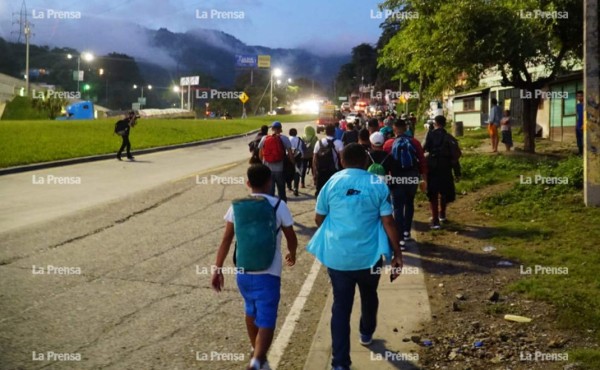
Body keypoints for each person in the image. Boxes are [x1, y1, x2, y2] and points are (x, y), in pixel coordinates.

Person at [306, 143, 403, 370]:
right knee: (369, 295)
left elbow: (318, 219)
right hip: (370, 257)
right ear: (366, 161)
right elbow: (388, 221)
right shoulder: (377, 184)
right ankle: (366, 333)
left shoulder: (332, 183)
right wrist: (397, 254)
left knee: (341, 306)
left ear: (342, 160)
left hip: (339, 257)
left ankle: (340, 363)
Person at [212, 164, 298, 370]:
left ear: (248, 183)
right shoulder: (278, 205)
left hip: (243, 269)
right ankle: (258, 360)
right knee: (267, 315)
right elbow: (291, 237)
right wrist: (292, 253)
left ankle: (256, 352)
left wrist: (217, 268)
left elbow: (226, 240)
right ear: (269, 183)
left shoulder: (237, 207)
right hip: (269, 271)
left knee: (250, 310)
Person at [383, 119, 428, 242]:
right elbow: (422, 162)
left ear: (394, 129)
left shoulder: (388, 144)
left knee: (397, 207)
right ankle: (407, 232)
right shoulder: (414, 142)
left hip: (396, 178)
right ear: (406, 128)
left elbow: (385, 165)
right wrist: (424, 179)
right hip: (412, 177)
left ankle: (400, 238)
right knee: (409, 203)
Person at [423, 115, 461, 229]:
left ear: (435, 123)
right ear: (445, 124)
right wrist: (457, 172)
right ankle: (442, 215)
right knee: (443, 192)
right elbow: (455, 157)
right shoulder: (449, 137)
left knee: (433, 194)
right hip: (446, 168)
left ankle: (435, 221)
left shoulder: (430, 134)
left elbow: (423, 148)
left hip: (433, 167)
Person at [258, 121, 294, 202]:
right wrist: (293, 164)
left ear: (272, 129)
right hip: (280, 169)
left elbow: (260, 154)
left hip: (267, 169)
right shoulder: (284, 138)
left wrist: (264, 163)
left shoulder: (265, 138)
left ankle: (270, 210)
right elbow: (290, 155)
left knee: (270, 192)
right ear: (280, 129)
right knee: (281, 191)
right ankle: (282, 209)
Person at [312, 124, 344, 196]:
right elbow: (342, 159)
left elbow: (314, 160)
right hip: (334, 171)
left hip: (321, 171)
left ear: (325, 132)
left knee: (321, 192)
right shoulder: (339, 143)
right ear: (334, 132)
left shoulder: (318, 143)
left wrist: (314, 173)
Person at [288, 128, 305, 196]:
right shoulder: (299, 140)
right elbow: (301, 149)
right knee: (297, 172)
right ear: (296, 133)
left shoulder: (288, 139)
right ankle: (296, 188)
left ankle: (289, 185)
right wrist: (302, 156)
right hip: (298, 157)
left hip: (289, 157)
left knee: (289, 171)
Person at [576, 90, 584, 155]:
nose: (579, 97)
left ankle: (585, 153)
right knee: (579, 139)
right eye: (578, 96)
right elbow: (578, 115)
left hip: (584, 124)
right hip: (578, 124)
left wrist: (584, 124)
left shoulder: (586, 105)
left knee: (584, 138)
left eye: (581, 96)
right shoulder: (577, 105)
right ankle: (580, 152)